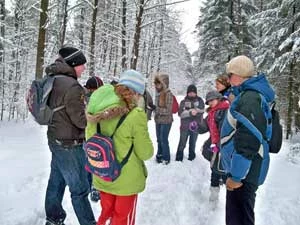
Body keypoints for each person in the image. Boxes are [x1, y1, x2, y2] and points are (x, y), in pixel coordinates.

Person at [85, 69, 154, 225]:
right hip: (125, 180)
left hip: (103, 173)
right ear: (136, 93)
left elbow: (89, 138)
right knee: (122, 218)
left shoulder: (95, 108)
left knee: (106, 213)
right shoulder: (135, 114)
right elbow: (145, 153)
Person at [220, 55, 275, 225]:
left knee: (239, 218)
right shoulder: (248, 95)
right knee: (240, 216)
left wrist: (236, 177)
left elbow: (248, 141)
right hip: (245, 169)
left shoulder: (250, 98)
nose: (228, 79)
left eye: (230, 75)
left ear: (238, 75)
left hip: (245, 173)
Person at [44, 46, 96, 225]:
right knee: (80, 189)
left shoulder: (52, 79)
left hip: (55, 139)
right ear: (73, 63)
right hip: (69, 143)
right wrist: (92, 117)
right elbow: (80, 121)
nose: (83, 69)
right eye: (82, 65)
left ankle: (53, 218)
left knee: (56, 182)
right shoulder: (72, 86)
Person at [202, 90, 229, 201]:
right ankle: (213, 196)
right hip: (216, 146)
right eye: (208, 102)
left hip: (224, 147)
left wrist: (218, 145)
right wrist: (195, 125)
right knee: (215, 170)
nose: (210, 103)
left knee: (224, 171)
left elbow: (225, 131)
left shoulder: (225, 111)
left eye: (212, 100)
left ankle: (231, 198)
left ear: (218, 98)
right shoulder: (212, 112)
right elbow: (205, 127)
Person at [84, 76, 104, 202]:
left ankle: (87, 186)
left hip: (85, 137)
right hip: (97, 137)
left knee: (87, 163)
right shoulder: (100, 100)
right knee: (97, 163)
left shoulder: (81, 99)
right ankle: (95, 189)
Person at [175, 84, 204, 161]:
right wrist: (191, 112)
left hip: (195, 126)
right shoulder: (183, 101)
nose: (191, 93)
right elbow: (180, 113)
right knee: (182, 143)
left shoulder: (200, 100)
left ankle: (192, 158)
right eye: (190, 92)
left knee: (193, 143)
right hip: (184, 127)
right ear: (187, 93)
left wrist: (190, 111)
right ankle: (178, 158)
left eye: (193, 92)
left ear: (196, 93)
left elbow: (201, 110)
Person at [154, 73, 173, 164]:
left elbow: (168, 110)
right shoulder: (157, 94)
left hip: (166, 121)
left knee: (163, 139)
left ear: (164, 83)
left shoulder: (168, 94)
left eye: (159, 83)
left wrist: (156, 109)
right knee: (158, 139)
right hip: (158, 120)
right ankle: (159, 154)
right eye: (156, 83)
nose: (157, 85)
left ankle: (166, 157)